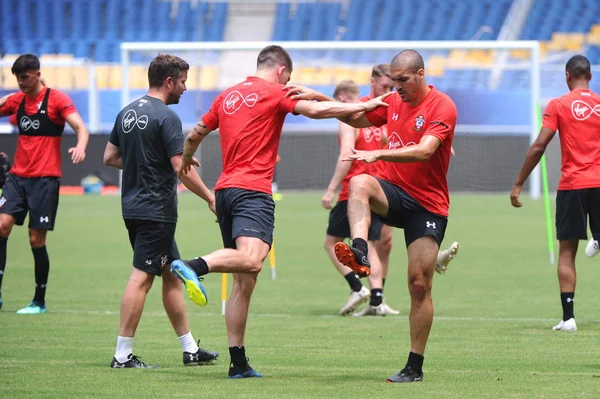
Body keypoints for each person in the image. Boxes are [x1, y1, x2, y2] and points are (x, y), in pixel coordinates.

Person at [170, 45, 390, 378]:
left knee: (245, 282)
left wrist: (186, 158)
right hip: (252, 192)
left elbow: (195, 135)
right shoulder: (276, 92)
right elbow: (316, 112)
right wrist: (363, 105)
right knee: (253, 259)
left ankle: (238, 362)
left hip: (226, 191)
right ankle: (193, 265)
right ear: (282, 72)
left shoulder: (226, 96)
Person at [293, 50, 457, 382]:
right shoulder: (392, 101)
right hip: (395, 195)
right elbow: (355, 118)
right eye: (393, 81)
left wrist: (379, 152)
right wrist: (320, 98)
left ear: (421, 75)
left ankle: (414, 367)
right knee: (360, 182)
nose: (396, 88)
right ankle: (359, 250)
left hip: (428, 205)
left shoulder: (442, 106)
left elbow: (426, 150)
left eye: (403, 80)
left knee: (419, 285)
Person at [103, 54, 219, 368]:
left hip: (133, 207)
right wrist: (211, 198)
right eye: (182, 82)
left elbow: (110, 157)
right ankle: (122, 354)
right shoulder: (167, 117)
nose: (184, 88)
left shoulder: (126, 112)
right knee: (142, 278)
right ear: (169, 81)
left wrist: (145, 159)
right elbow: (180, 168)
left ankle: (191, 349)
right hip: (157, 210)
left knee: (171, 276)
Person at [511, 55, 600, 333]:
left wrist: (518, 182)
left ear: (567, 75)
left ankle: (569, 318)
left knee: (567, 252)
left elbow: (539, 146)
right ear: (590, 76)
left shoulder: (558, 105)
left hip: (573, 185)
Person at [0, 54, 89, 314]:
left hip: (45, 180)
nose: (21, 83)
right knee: (2, 226)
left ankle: (39, 301)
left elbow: (80, 126)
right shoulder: (16, 101)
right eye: (17, 78)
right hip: (17, 177)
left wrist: (81, 146)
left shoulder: (57, 100)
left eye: (25, 77)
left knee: (35, 239)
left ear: (37, 74)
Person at [322, 79, 398, 316]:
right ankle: (377, 299)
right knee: (372, 247)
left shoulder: (351, 121)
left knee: (330, 241)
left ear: (342, 99)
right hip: (378, 190)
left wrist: (331, 189)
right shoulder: (376, 122)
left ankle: (357, 288)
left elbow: (347, 154)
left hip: (353, 192)